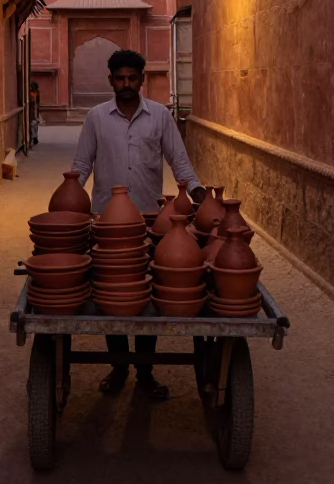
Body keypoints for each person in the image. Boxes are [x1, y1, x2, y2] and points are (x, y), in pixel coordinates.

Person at [71, 48, 204, 401]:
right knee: (111, 295)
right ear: (110, 80)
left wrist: (199, 192)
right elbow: (81, 166)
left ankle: (145, 372)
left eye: (132, 78)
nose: (126, 84)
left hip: (149, 223)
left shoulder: (160, 117)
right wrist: (68, 202)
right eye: (120, 78)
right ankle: (119, 367)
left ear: (142, 80)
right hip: (107, 226)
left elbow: (180, 162)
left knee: (146, 294)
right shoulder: (96, 118)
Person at [29, 80, 40, 147]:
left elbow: (37, 102)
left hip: (34, 109)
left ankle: (34, 137)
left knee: (34, 124)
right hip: (32, 110)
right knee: (33, 124)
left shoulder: (36, 93)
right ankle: (34, 137)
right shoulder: (31, 94)